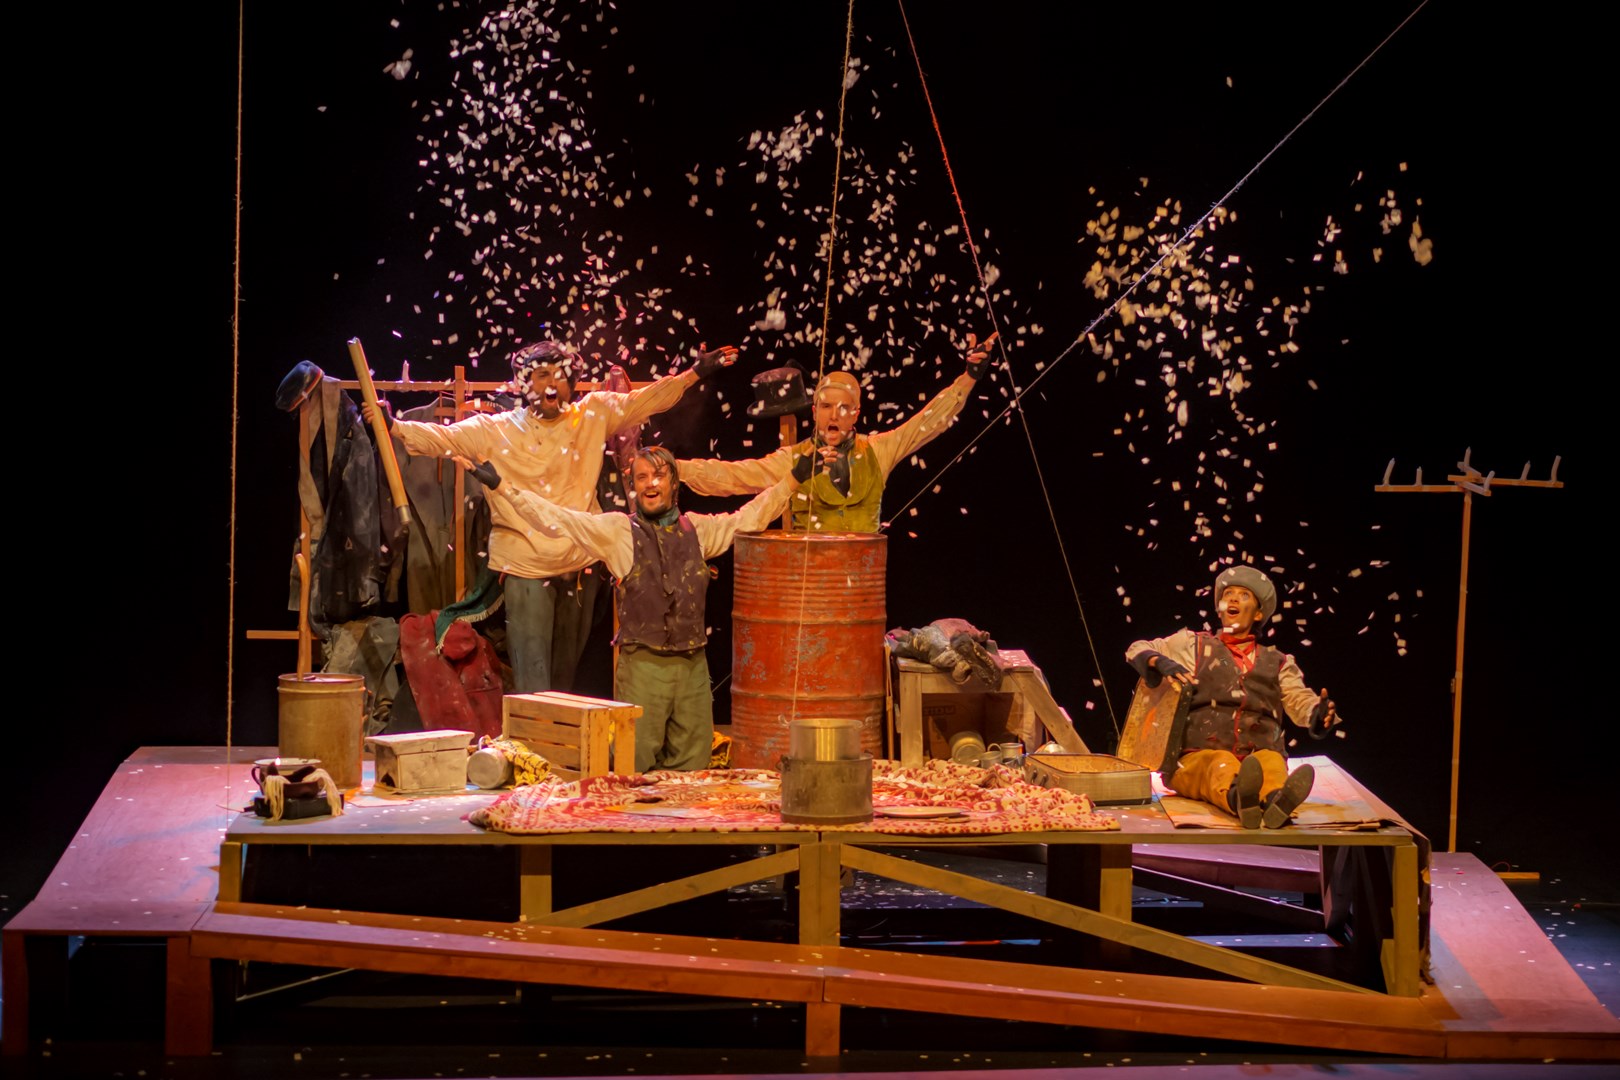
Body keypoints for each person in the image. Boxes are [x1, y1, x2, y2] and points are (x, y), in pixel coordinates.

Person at [365, 340, 735, 692]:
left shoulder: (592, 414)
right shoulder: (496, 429)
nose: (552, 383)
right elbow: (440, 438)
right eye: (542, 375)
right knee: (534, 683)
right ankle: (531, 735)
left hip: (578, 568)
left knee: (563, 681)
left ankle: (557, 734)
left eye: (559, 374)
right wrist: (393, 425)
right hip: (526, 568)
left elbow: (644, 401)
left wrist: (693, 374)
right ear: (524, 384)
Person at [478, 446, 803, 772]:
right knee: (633, 763)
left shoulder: (698, 530)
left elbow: (748, 518)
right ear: (634, 486)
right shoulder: (618, 532)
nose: (650, 483)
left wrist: (792, 480)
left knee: (694, 762)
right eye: (642, 477)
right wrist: (503, 487)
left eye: (659, 475)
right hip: (644, 667)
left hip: (692, 666)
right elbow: (557, 519)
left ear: (674, 482)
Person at [677, 335, 995, 532]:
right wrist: (674, 468)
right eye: (827, 407)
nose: (834, 415)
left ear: (856, 413)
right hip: (810, 590)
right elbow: (732, 476)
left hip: (862, 590)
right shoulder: (794, 459)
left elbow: (928, 422)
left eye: (844, 408)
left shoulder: (878, 450)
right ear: (815, 411)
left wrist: (969, 377)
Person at [1125, 565, 1340, 828]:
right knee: (1220, 763)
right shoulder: (1193, 645)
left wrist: (1317, 713)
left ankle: (1276, 801)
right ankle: (1240, 798)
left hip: (1258, 753)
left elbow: (1299, 699)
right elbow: (1138, 648)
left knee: (1271, 761)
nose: (1234, 599)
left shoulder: (1278, 661)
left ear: (1258, 613)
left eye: (1244, 595)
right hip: (1195, 759)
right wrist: (1158, 661)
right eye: (1228, 594)